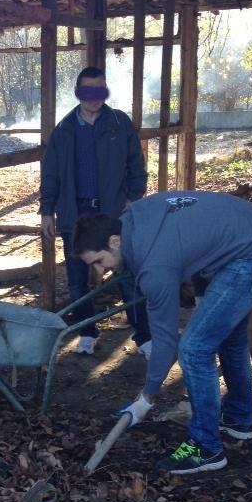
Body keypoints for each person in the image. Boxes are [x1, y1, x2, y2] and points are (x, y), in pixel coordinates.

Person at [72, 192, 252, 475]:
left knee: (194, 349)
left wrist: (147, 397)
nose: (101, 271)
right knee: (228, 338)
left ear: (114, 241)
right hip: (245, 235)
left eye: (99, 261)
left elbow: (166, 341)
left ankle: (206, 449)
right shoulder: (129, 221)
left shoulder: (155, 267)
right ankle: (237, 418)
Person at [40, 66, 151, 356]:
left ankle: (144, 336)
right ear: (78, 93)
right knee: (77, 279)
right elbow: (50, 173)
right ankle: (87, 333)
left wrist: (134, 196)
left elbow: (136, 164)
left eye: (99, 90)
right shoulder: (64, 130)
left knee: (127, 274)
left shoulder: (119, 123)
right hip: (75, 215)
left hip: (112, 214)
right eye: (88, 91)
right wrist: (46, 210)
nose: (94, 97)